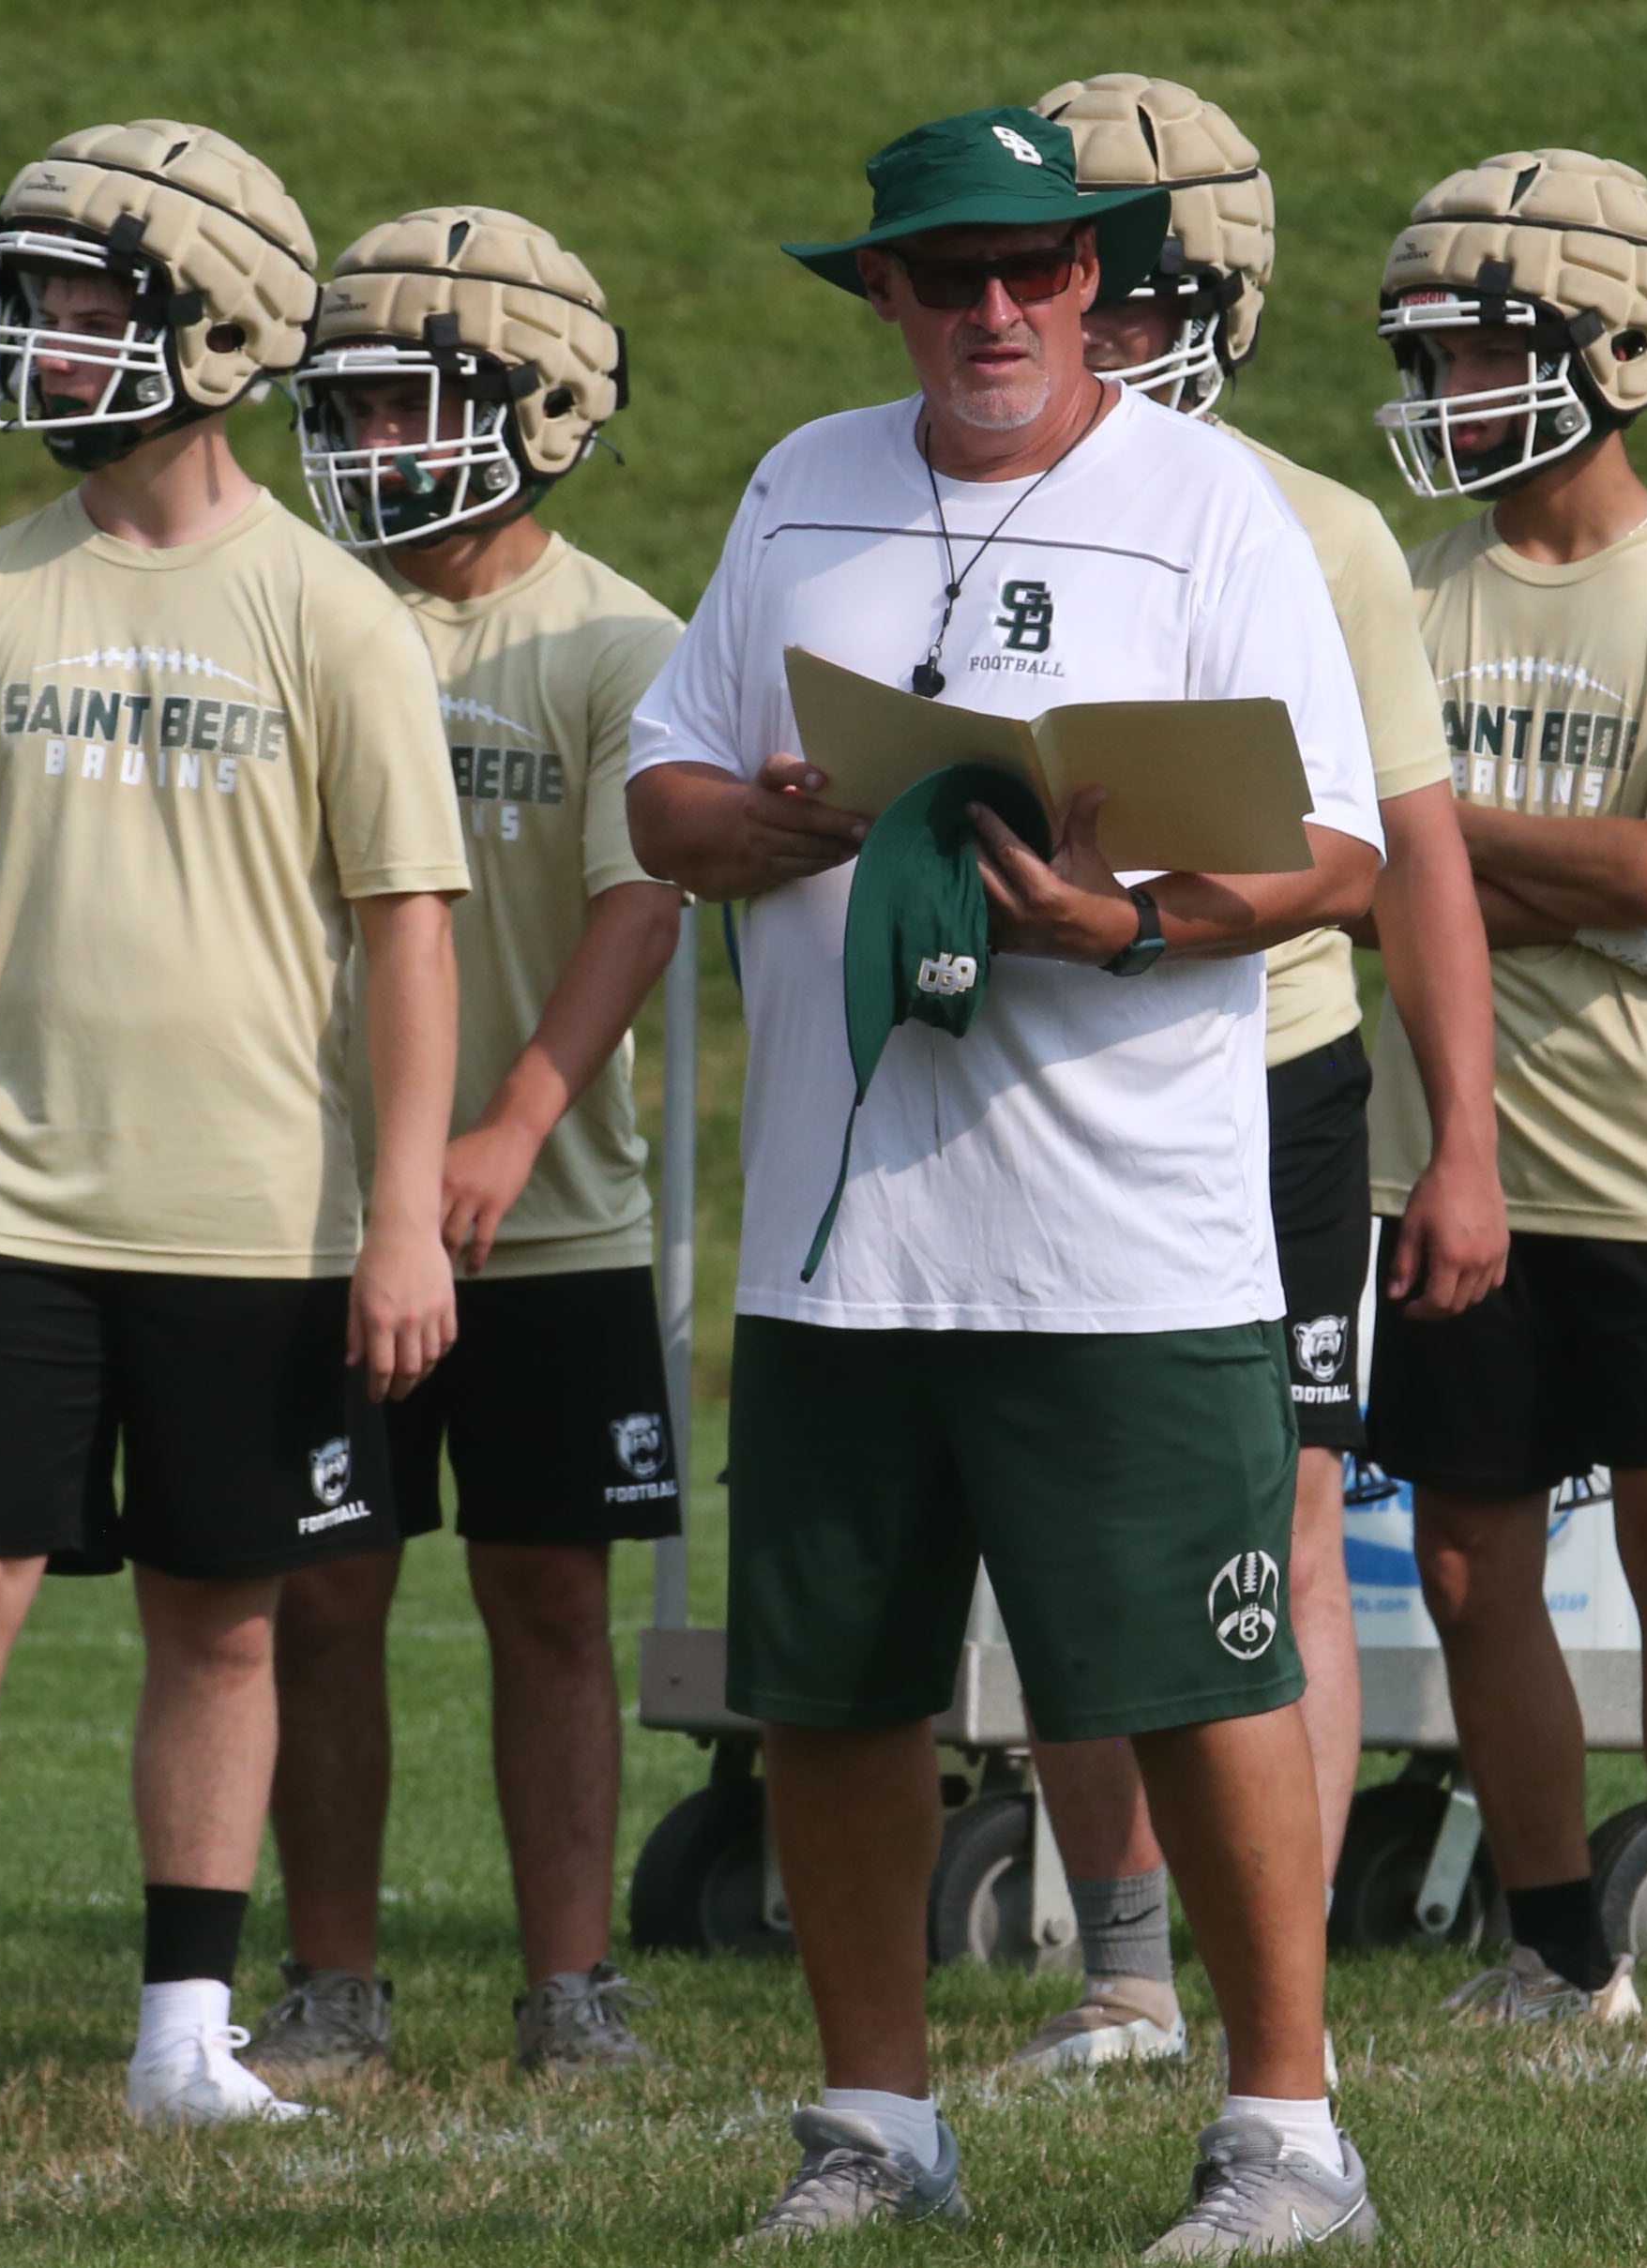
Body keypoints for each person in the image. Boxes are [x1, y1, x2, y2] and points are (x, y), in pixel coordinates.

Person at [627, 105, 1386, 2260]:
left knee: (1201, 1680)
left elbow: (1339, 850)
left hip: (1126, 1245)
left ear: (1095, 287)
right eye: (947, 272)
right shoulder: (797, 486)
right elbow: (663, 782)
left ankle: (1283, 2137)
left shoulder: (1212, 507)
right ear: (881, 291)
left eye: (1035, 269)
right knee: (837, 1694)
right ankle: (875, 2123)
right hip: (840, 1243)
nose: (993, 308)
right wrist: (749, 825)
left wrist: (1131, 921)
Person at [0, 120, 469, 2155]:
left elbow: (409, 934)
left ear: (216, 322)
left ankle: (187, 2030)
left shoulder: (329, 612)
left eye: (81, 301)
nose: (40, 340)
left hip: (259, 1216)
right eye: (33, 301)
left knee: (225, 1612)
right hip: (0, 1197)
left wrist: (401, 1220)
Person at [1005, 70, 1504, 2079]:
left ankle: (1267, 1977)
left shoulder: (1314, 529)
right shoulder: (962, 491)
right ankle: (1128, 1971)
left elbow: (1417, 852)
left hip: (1268, 1076)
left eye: (1118, 284)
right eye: (1051, 279)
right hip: (1029, 1067)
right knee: (1059, 1525)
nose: (1080, 322)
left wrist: (1460, 1137)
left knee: (1280, 1521)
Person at [1358, 149, 1647, 2034]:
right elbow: (1365, 862)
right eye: (1436, 357)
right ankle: (1557, 1954)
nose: (1446, 396)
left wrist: (1446, 854)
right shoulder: (1403, 592)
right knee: (1469, 1569)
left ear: (1618, 348)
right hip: (1443, 1158)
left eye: (1479, 354)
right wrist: (1511, 869)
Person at [243, 205, 685, 2087]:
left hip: (551, 1214)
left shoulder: (611, 638)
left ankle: (571, 1987)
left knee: (548, 1596)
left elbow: (639, 899)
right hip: (314, 1202)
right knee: (321, 1592)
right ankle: (334, 1986)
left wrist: (509, 1127)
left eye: (410, 403)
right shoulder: (294, 611)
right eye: (342, 405)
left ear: (550, 409)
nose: (366, 445)